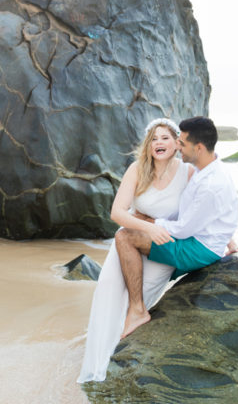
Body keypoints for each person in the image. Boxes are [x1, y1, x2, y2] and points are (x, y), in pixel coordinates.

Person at [77, 118, 194, 383]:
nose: (158, 143)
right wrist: (147, 226)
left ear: (177, 143)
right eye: (153, 138)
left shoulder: (187, 173)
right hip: (130, 239)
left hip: (161, 246)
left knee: (140, 296)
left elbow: (208, 207)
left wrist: (231, 241)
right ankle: (96, 366)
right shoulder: (138, 169)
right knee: (107, 291)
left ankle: (119, 361)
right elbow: (117, 213)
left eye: (165, 138)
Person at [115, 116, 238, 339]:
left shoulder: (210, 184)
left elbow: (182, 230)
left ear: (199, 148)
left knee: (125, 237)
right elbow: (217, 215)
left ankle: (138, 311)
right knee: (137, 228)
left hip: (198, 247)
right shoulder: (206, 169)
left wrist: (149, 223)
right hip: (203, 240)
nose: (178, 147)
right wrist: (231, 242)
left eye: (181, 143)